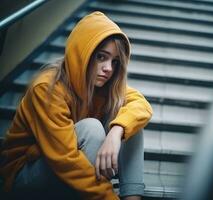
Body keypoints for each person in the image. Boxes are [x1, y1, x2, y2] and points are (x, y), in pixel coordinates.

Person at [0, 11, 153, 200]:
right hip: (25, 173)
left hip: (71, 166)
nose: (109, 69)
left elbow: (141, 105)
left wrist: (116, 131)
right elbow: (66, 160)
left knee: (129, 123)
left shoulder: (104, 85)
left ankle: (132, 197)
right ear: (82, 54)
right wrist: (108, 197)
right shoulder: (47, 88)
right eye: (101, 57)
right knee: (92, 128)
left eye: (114, 62)